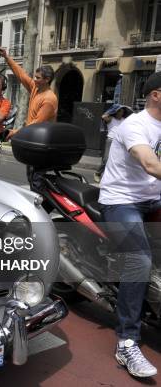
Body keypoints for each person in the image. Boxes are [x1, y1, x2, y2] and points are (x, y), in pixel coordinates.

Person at [98, 72, 161, 379]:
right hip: (121, 199)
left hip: (154, 198)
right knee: (139, 260)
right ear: (156, 95)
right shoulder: (134, 124)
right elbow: (150, 163)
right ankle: (127, 341)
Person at [0, 47, 58, 134]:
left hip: (41, 140)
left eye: (38, 78)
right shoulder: (35, 88)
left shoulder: (49, 99)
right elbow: (21, 74)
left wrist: (16, 132)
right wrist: (6, 57)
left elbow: (36, 124)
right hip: (31, 134)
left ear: (47, 79)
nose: (34, 79)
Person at [94, 104, 133, 182]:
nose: (120, 113)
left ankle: (110, 177)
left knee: (118, 160)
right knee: (106, 159)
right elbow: (103, 117)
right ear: (115, 112)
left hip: (121, 142)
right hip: (111, 140)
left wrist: (128, 109)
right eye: (118, 111)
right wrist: (112, 111)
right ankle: (98, 173)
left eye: (122, 111)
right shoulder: (111, 118)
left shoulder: (124, 119)